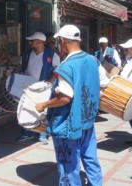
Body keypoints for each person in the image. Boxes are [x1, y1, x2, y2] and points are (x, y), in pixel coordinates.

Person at [35, 25, 102, 185]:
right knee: (90, 158)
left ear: (62, 40)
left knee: (68, 165)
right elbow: (103, 84)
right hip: (87, 120)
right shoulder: (92, 59)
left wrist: (44, 104)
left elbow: (65, 98)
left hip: (69, 125)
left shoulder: (67, 66)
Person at [15, 32, 60, 145]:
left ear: (40, 42)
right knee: (26, 109)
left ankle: (43, 134)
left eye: (32, 41)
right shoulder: (27, 53)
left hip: (43, 87)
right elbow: (20, 65)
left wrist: (49, 84)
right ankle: (27, 133)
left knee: (43, 111)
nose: (30, 43)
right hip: (28, 86)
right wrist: (13, 76)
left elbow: (57, 70)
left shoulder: (52, 55)